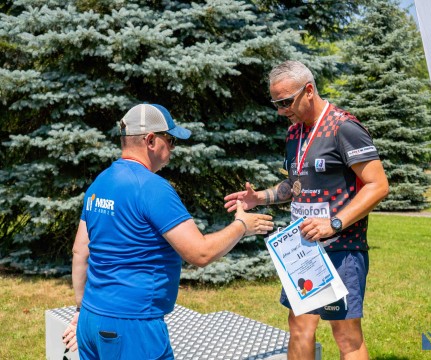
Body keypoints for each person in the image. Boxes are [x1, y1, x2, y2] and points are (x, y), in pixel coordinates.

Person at [61, 103, 274, 359]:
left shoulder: (101, 182)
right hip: (134, 325)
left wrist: (80, 311)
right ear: (151, 140)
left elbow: (79, 251)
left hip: (90, 322)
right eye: (170, 140)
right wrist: (242, 226)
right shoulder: (153, 188)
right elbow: (200, 253)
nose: (173, 148)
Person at [224, 60, 389, 360]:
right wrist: (259, 197)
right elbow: (294, 186)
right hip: (303, 249)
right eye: (276, 103)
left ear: (309, 90)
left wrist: (334, 224)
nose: (280, 110)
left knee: (346, 336)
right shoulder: (294, 134)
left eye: (286, 102)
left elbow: (378, 185)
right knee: (299, 327)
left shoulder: (344, 127)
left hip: (341, 247)